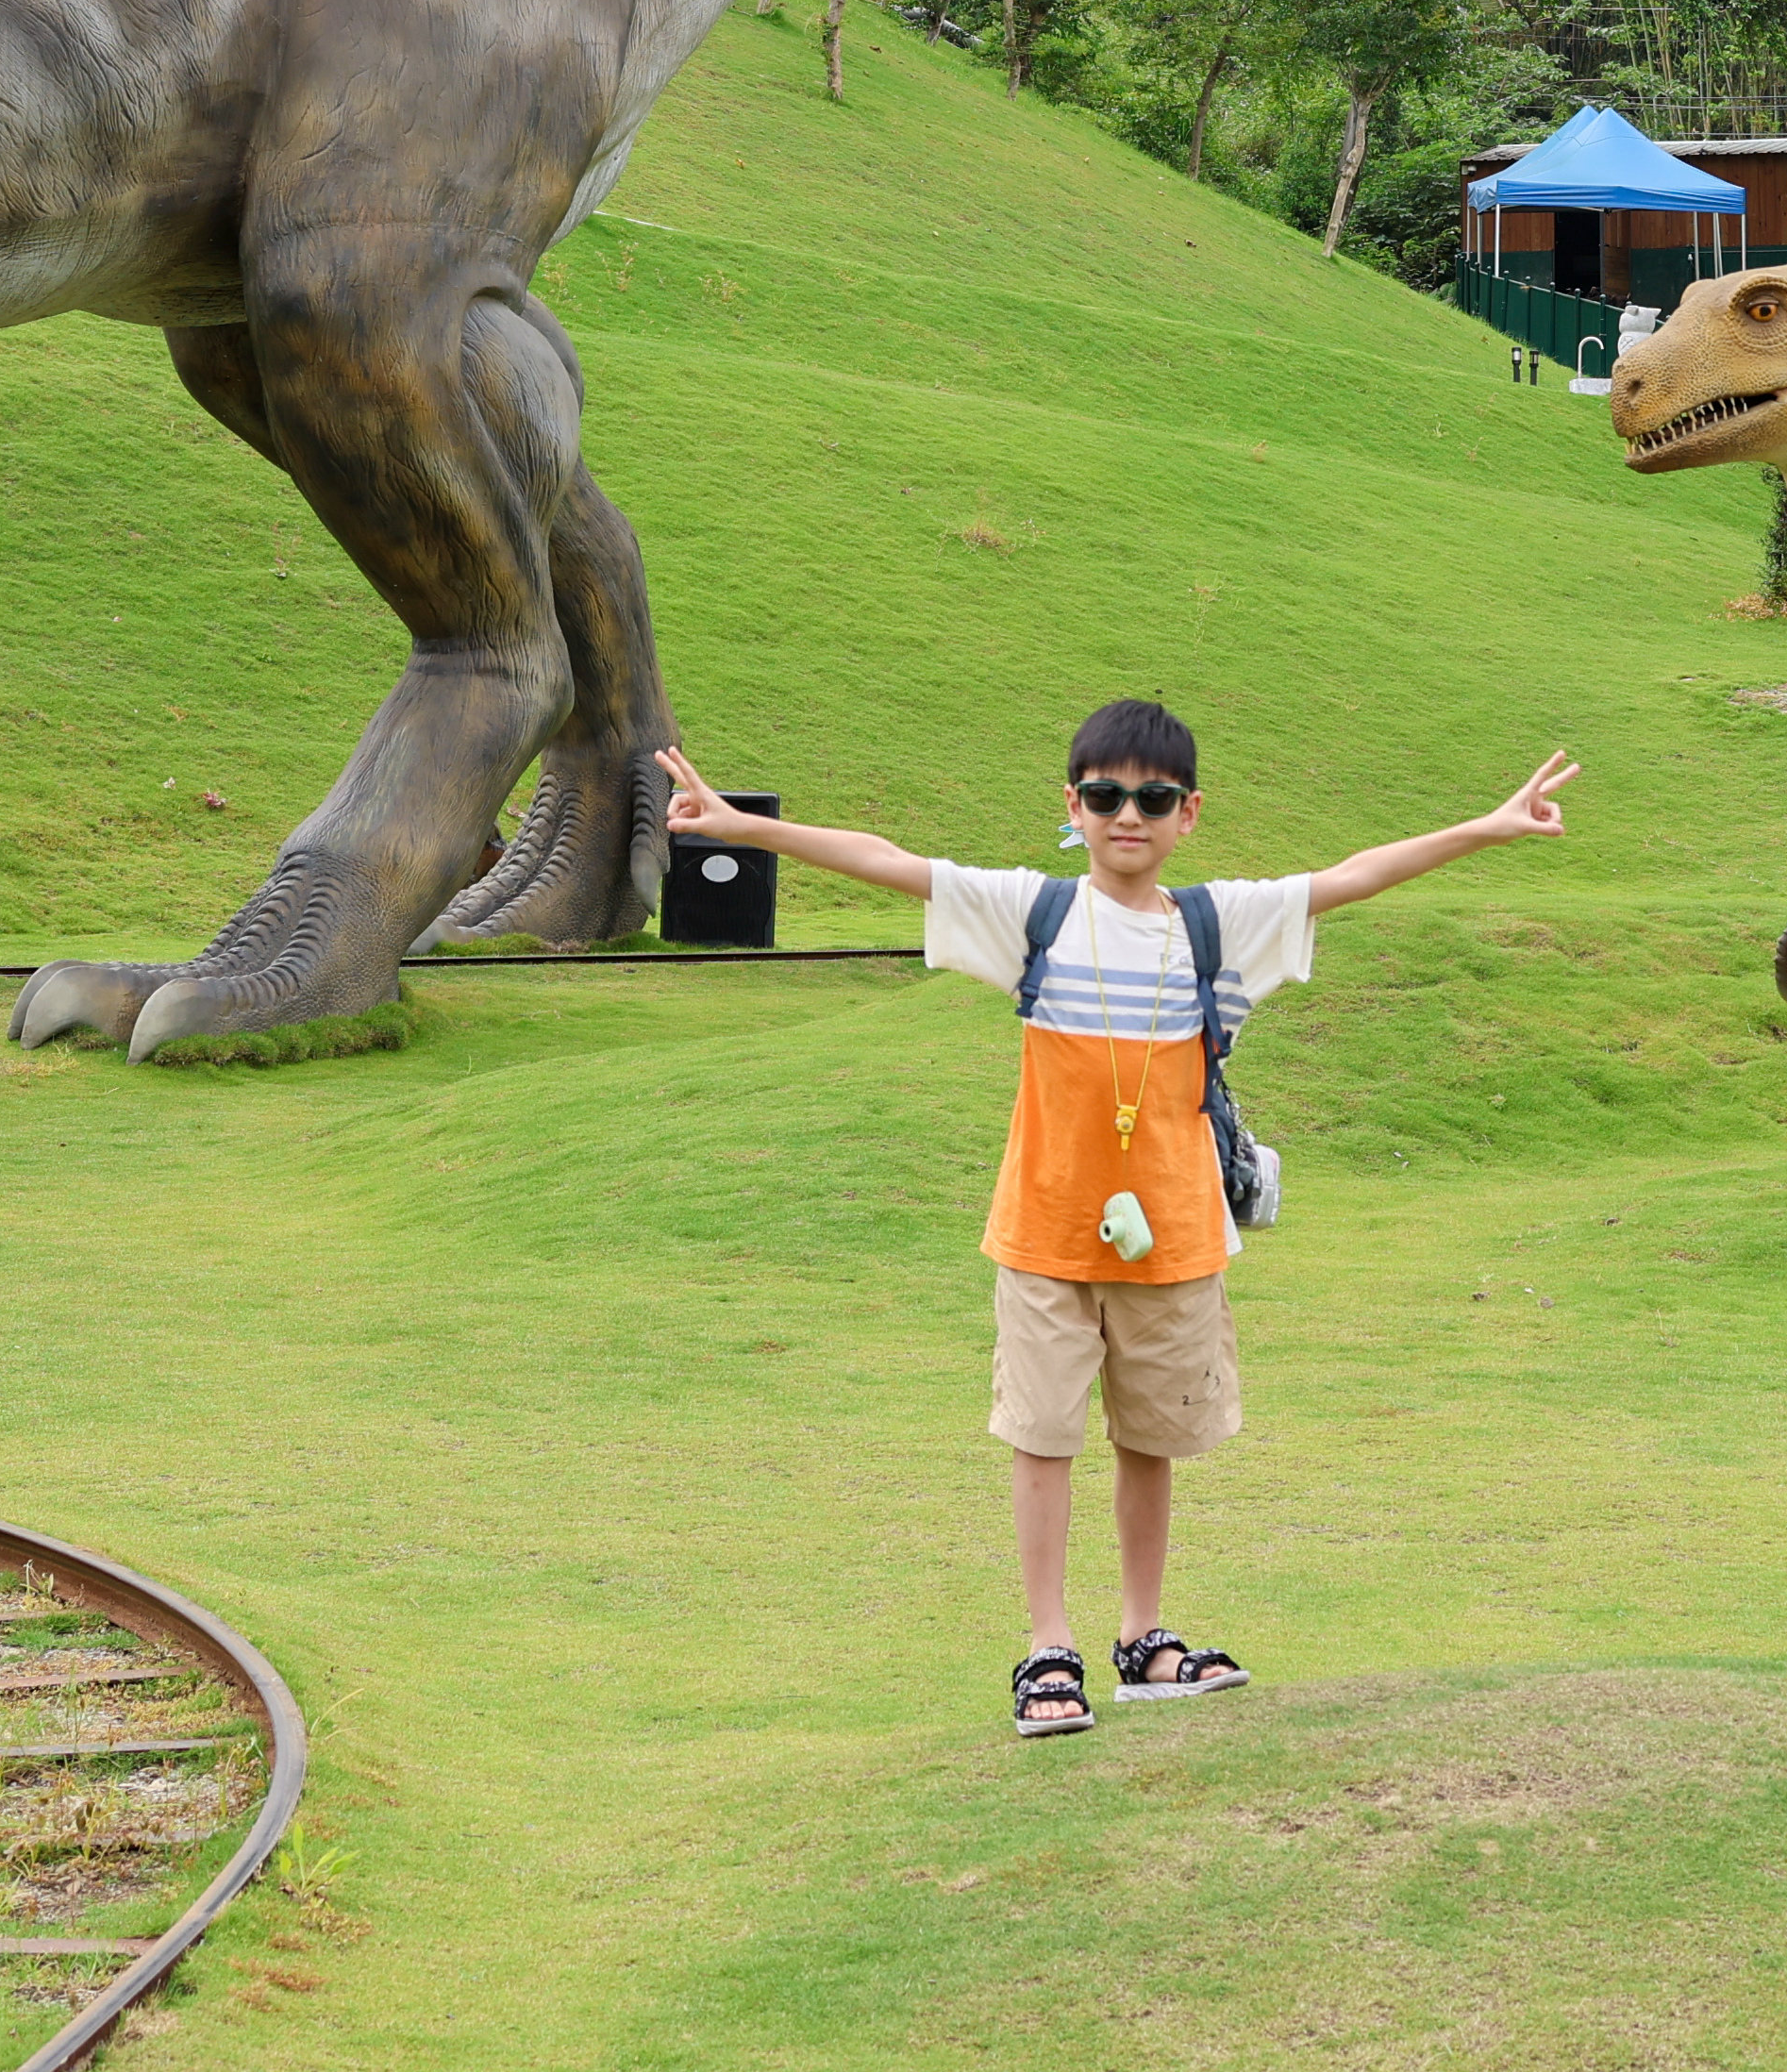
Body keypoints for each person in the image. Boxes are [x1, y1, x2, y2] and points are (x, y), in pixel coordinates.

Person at [657, 706, 1574, 1740]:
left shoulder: (1219, 924)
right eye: (1104, 795)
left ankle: (1143, 1639)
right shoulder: (1036, 912)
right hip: (1046, 1229)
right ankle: (1049, 1645)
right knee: (1042, 1437)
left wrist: (1490, 826)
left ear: (1189, 813)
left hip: (1175, 1235)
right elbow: (890, 861)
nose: (1126, 815)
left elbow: (1354, 875)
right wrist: (744, 825)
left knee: (1152, 1438)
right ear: (1073, 806)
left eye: (1151, 797)